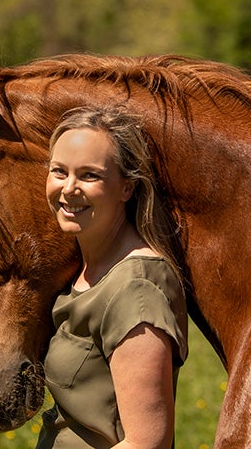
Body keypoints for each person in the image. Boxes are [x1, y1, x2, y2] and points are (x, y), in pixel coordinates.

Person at [37, 105, 188, 449]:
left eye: (89, 175)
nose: (69, 188)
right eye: (59, 171)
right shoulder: (85, 266)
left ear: (127, 188)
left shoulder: (135, 287)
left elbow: (147, 443)